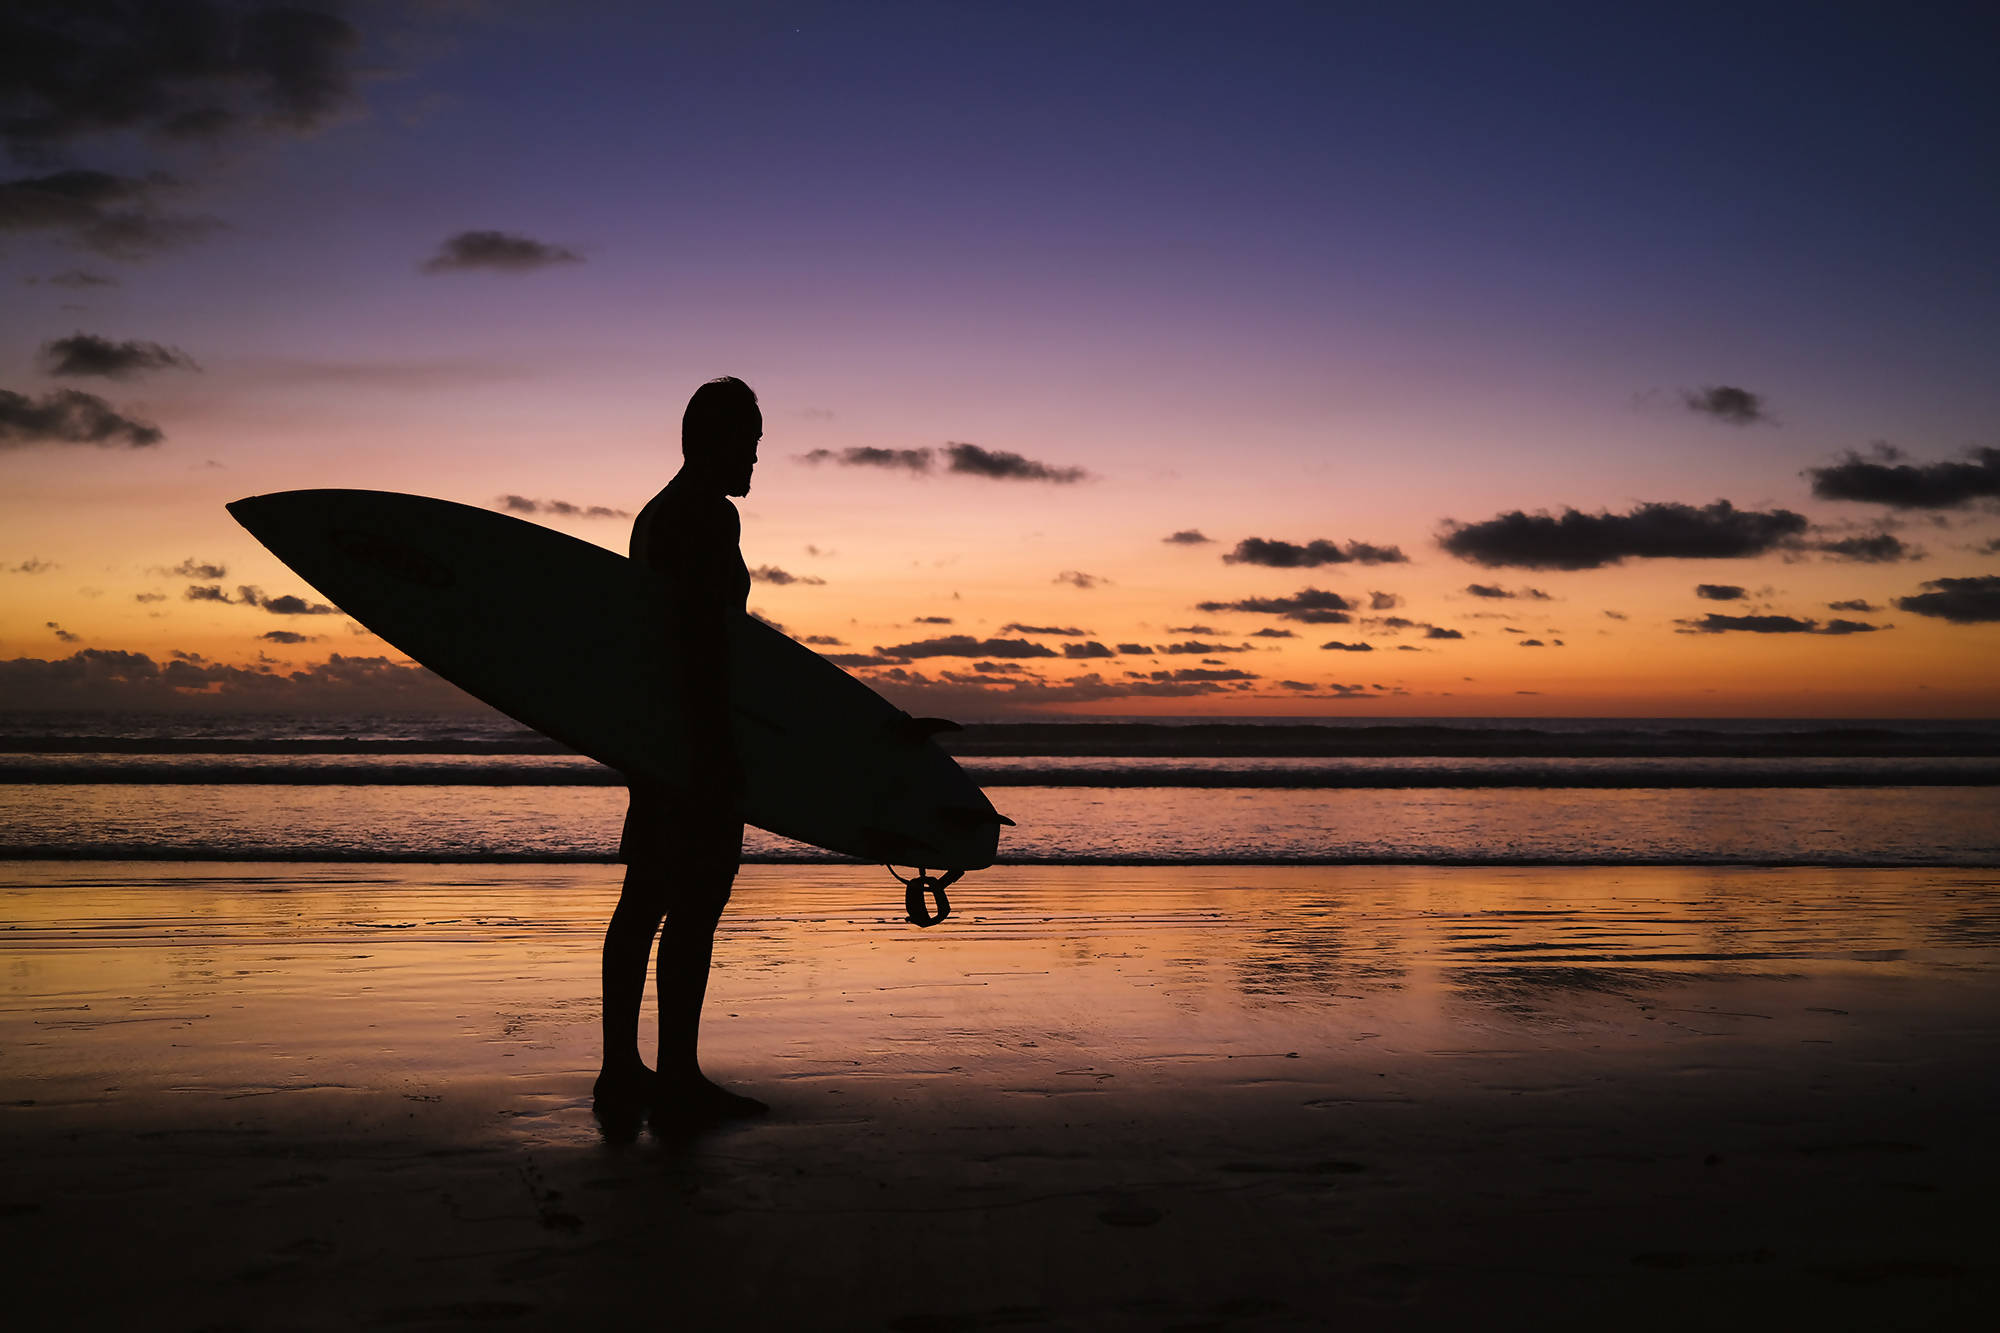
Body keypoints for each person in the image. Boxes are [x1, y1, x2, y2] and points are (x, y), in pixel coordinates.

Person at [595, 376, 769, 1127]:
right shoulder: (701, 518)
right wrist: (719, 747)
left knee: (652, 897)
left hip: (661, 736)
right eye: (749, 445)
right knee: (688, 900)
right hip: (690, 738)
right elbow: (699, 648)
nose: (756, 461)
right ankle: (666, 1077)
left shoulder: (661, 515)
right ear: (712, 439)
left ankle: (632, 1070)